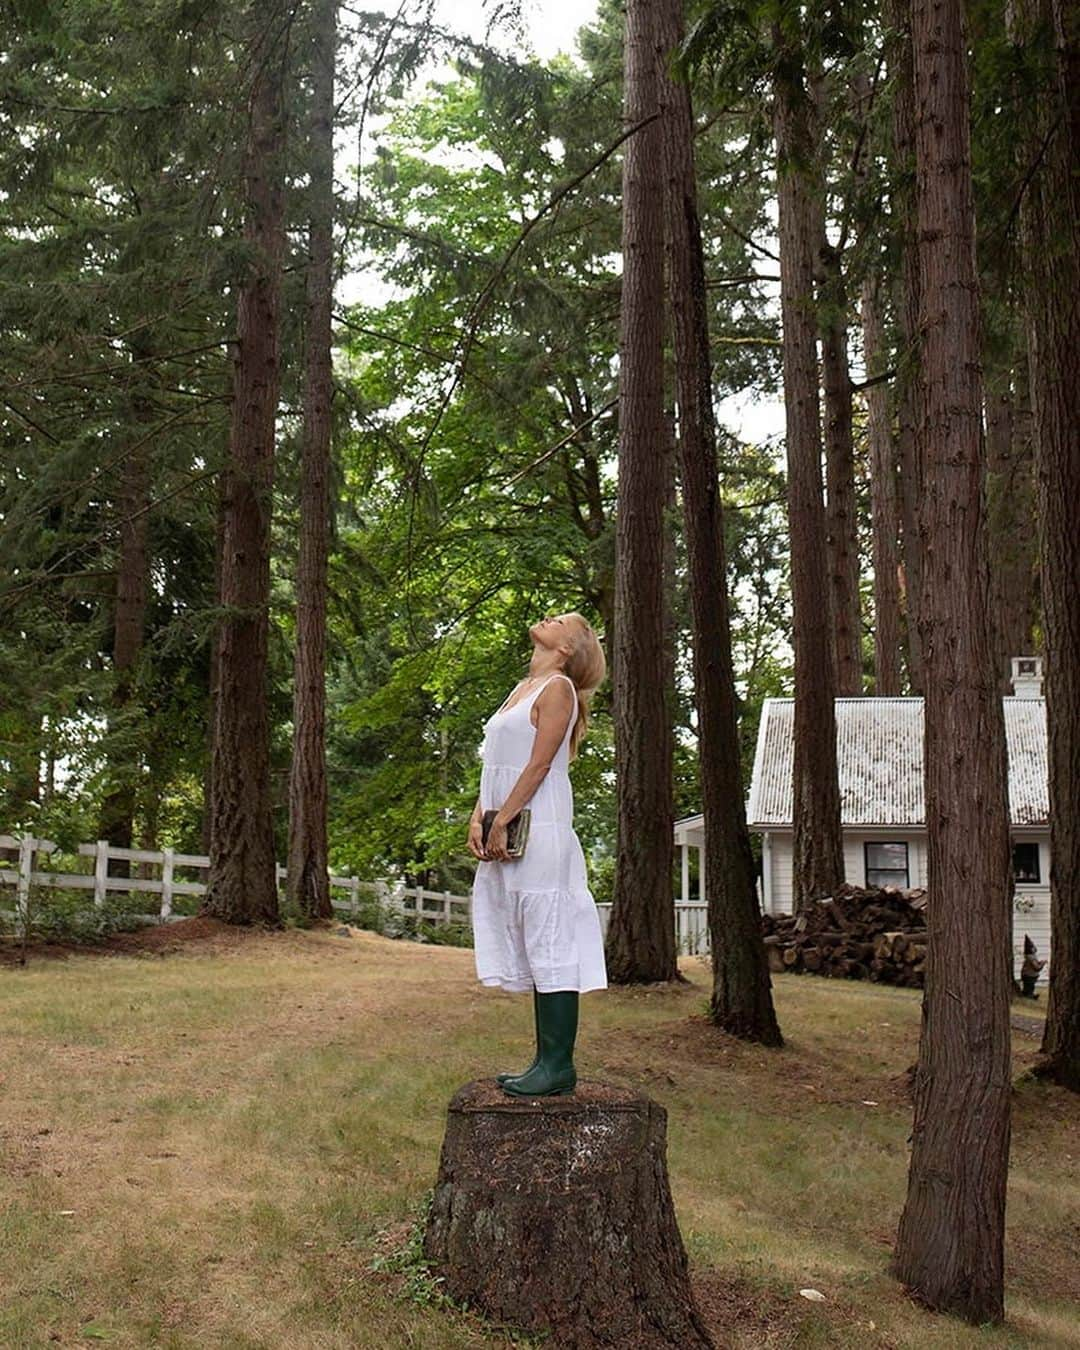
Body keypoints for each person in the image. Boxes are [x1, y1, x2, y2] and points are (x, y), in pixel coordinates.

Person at [467, 611, 607, 1097]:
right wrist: (479, 814)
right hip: (507, 819)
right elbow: (498, 764)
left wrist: (504, 818)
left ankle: (558, 1067)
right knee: (531, 936)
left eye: (562, 619)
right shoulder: (520, 690)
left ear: (568, 647)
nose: (550, 617)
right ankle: (543, 1060)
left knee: (551, 936)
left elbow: (541, 763)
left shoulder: (559, 691)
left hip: (539, 829)